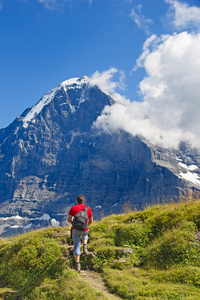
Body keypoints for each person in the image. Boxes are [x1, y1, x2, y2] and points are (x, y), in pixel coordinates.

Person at [67, 195, 93, 272]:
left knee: (76, 245)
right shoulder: (88, 208)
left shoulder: (73, 208)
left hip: (75, 229)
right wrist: (86, 226)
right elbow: (91, 220)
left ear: (77, 201)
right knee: (85, 235)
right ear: (84, 201)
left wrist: (74, 224)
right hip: (85, 228)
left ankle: (78, 264)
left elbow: (68, 219)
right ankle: (85, 246)